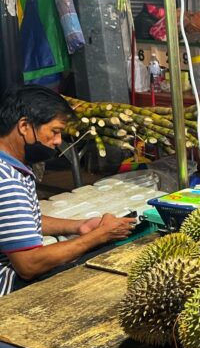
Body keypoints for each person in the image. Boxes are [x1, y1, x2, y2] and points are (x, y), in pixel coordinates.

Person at [0, 86, 136, 296]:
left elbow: (17, 220)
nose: (57, 142)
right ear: (24, 126)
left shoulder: (7, 166)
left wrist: (78, 226)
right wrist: (98, 236)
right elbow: (29, 265)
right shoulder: (7, 180)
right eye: (54, 132)